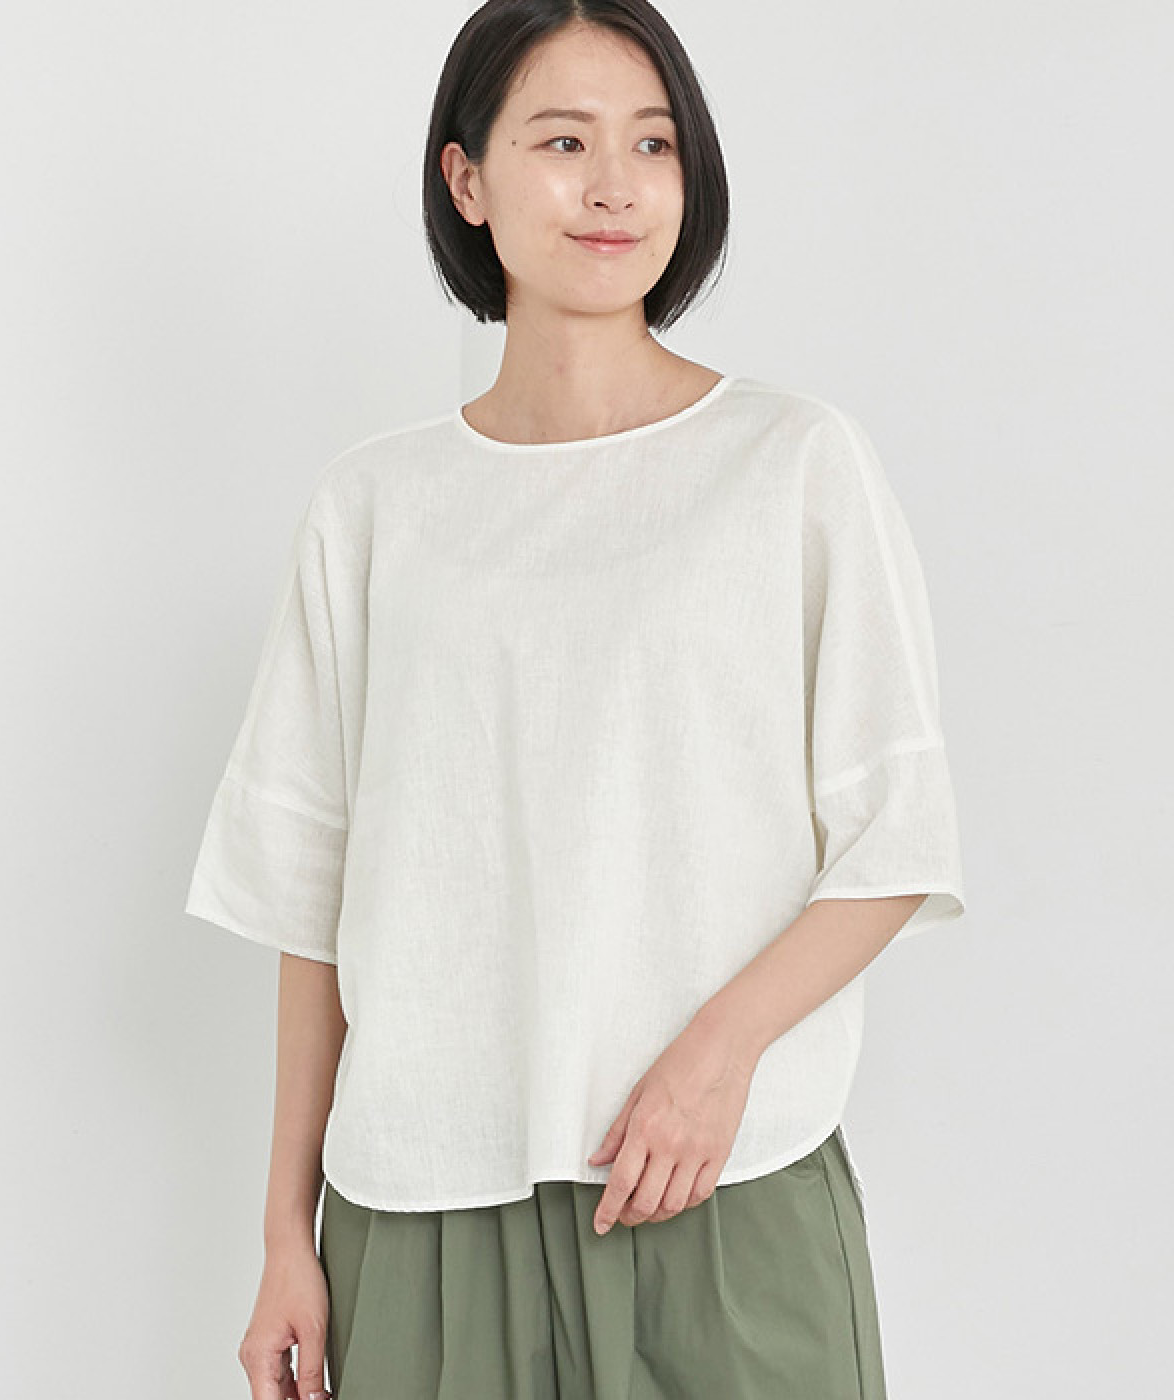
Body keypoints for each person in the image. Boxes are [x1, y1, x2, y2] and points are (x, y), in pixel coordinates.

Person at [183, 1, 967, 1396]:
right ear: (467, 179)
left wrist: (716, 1059)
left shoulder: (792, 464)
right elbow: (313, 899)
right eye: (563, 142)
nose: (616, 186)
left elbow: (895, 840)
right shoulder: (375, 508)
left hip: (721, 1188)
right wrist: (283, 1235)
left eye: (653, 144)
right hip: (419, 1213)